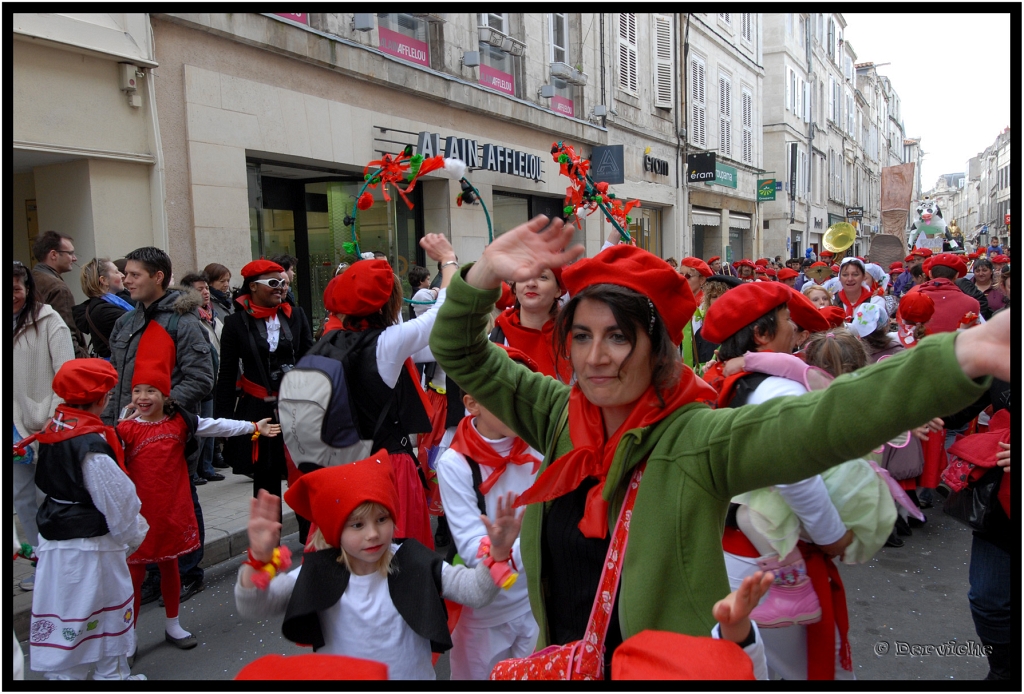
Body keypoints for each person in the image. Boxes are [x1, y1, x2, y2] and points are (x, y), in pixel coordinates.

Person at [429, 215, 1010, 679]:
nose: (594, 357)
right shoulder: (557, 418)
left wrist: (961, 357)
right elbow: (460, 352)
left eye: (617, 337)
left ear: (657, 348)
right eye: (581, 335)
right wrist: (481, 272)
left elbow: (822, 421)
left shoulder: (697, 439)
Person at [234, 453, 521, 680]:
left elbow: (476, 592)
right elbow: (255, 606)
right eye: (357, 524)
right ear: (334, 529)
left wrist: (497, 553)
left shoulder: (414, 562)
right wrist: (257, 562)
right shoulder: (318, 572)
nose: (373, 533)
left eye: (382, 519)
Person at [117, 322, 281, 651]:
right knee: (134, 578)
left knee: (171, 569)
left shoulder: (181, 420)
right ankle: (128, 635)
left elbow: (215, 425)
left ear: (167, 395)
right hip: (140, 517)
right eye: (138, 391)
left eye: (152, 391)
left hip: (173, 511)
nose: (144, 397)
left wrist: (252, 426)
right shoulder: (124, 429)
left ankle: (173, 625)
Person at [315, 238, 460, 549]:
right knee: (402, 565)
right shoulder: (387, 344)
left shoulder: (324, 343)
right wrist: (448, 262)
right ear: (387, 302)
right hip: (387, 466)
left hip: (339, 468)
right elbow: (440, 315)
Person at [22, 360, 149, 680]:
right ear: (103, 398)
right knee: (97, 615)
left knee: (72, 614)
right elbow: (119, 501)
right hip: (90, 546)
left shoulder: (57, 425)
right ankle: (106, 678)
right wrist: (132, 536)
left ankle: (81, 677)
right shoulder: (90, 441)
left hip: (57, 538)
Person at [103, 246, 215, 604]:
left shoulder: (184, 322)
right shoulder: (125, 322)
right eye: (125, 274)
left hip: (170, 433)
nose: (126, 280)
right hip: (130, 435)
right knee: (143, 502)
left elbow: (201, 377)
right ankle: (154, 570)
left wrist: (158, 408)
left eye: (134, 274)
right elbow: (118, 380)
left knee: (180, 499)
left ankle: (187, 570)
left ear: (158, 277)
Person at [434, 352, 543, 679]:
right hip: (484, 612)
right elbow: (471, 546)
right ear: (472, 404)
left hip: (535, 602)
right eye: (502, 395)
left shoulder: (538, 445)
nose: (516, 405)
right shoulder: (455, 464)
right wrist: (529, 545)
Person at [214, 259, 313, 503]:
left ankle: (309, 536)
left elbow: (310, 360)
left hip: (296, 408)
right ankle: (268, 541)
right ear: (253, 287)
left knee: (303, 473)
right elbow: (226, 374)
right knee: (266, 478)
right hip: (258, 411)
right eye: (272, 283)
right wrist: (222, 421)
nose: (280, 287)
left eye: (282, 283)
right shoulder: (235, 323)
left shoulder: (296, 315)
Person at [13, 261, 76, 592]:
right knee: (21, 498)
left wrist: (53, 416)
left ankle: (60, 563)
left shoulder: (48, 320)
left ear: (27, 287)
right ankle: (42, 561)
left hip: (44, 424)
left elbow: (66, 374)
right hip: (11, 427)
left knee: (48, 496)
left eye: (15, 289)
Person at [178, 272, 225, 484]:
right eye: (200, 289)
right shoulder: (189, 318)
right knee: (198, 427)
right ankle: (195, 470)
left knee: (210, 423)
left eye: (206, 288)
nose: (205, 292)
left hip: (214, 375)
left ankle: (207, 466)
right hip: (197, 379)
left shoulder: (212, 314)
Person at [489, 267, 572, 382]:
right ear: (515, 288)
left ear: (558, 290)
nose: (531, 283)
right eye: (524, 277)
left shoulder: (576, 336)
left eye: (543, 277)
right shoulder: (495, 340)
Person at [31, 230, 89, 357]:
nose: (75, 258)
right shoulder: (57, 288)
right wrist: (85, 362)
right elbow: (67, 337)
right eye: (70, 253)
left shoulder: (29, 280)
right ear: (53, 254)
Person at [73, 258, 133, 359]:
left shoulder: (111, 303)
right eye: (116, 272)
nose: (122, 275)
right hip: (118, 367)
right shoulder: (103, 311)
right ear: (104, 280)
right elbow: (140, 324)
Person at [908, 253, 982, 334]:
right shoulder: (972, 303)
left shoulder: (910, 300)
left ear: (930, 274)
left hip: (920, 346)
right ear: (956, 276)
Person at [679, 258, 713, 370]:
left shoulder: (705, 305)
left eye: (688, 276)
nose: (683, 279)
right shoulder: (680, 301)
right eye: (681, 274)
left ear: (702, 279)